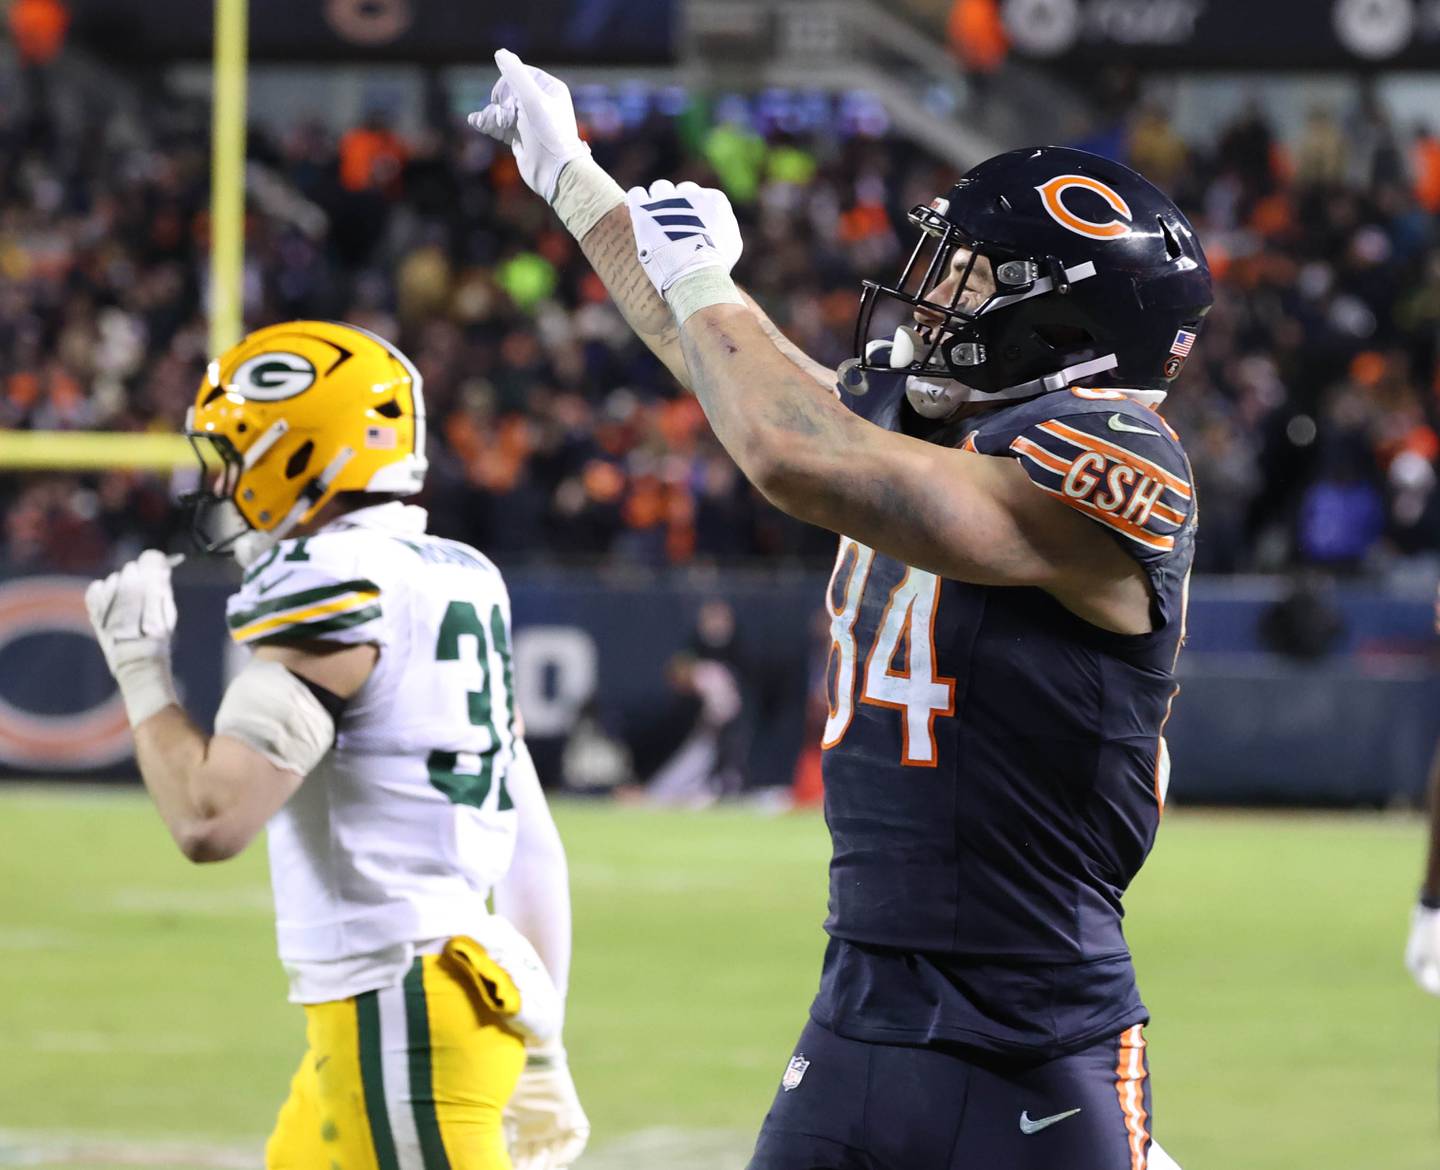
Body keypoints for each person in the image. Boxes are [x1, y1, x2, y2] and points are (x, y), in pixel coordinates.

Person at [474, 51, 1210, 1169]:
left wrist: (705, 281)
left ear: (1066, 322)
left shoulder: (1118, 451)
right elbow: (718, 357)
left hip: (1035, 1031)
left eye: (974, 276)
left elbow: (785, 450)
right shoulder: (927, 425)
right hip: (858, 1007)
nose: (934, 291)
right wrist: (570, 176)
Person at [84, 320, 588, 1170]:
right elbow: (533, 846)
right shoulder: (459, 573)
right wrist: (544, 1034)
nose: (223, 481)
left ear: (296, 452)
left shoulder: (331, 579)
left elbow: (211, 818)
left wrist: (140, 670)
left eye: (235, 453)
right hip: (445, 1003)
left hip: (400, 1017)